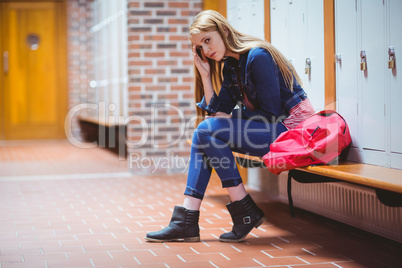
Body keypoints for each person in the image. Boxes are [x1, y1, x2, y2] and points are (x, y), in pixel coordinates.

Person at [145, 10, 315, 243]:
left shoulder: (258, 56)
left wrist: (229, 119)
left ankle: (233, 211)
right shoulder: (231, 67)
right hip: (271, 130)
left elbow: (270, 114)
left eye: (207, 40)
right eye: (199, 46)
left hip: (292, 133)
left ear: (224, 31)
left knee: (206, 130)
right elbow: (219, 112)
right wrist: (205, 76)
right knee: (203, 133)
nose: (206, 50)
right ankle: (188, 218)